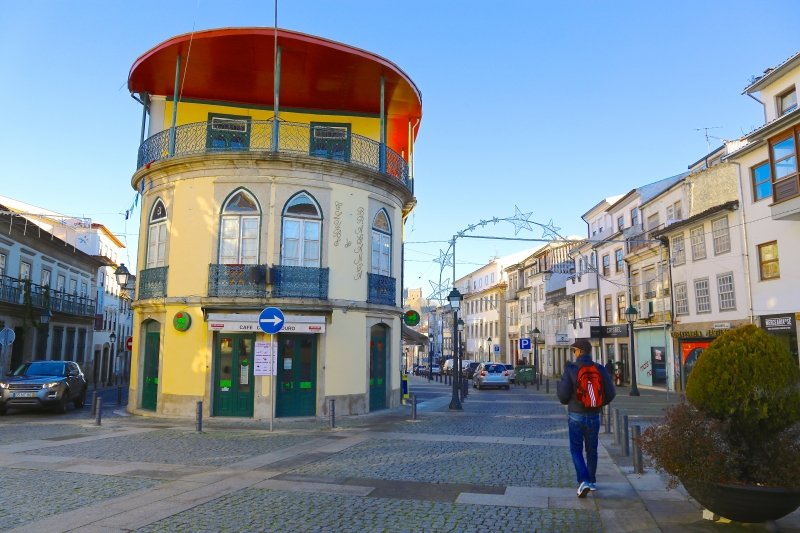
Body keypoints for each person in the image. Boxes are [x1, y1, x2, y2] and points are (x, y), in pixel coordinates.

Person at [557, 338, 616, 498]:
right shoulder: (599, 369)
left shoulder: (570, 369)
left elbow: (562, 396)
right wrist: (597, 403)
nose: (574, 353)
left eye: (574, 350)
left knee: (576, 449)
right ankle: (592, 480)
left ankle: (584, 480)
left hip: (576, 414)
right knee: (592, 449)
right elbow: (611, 393)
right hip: (594, 415)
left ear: (579, 352)